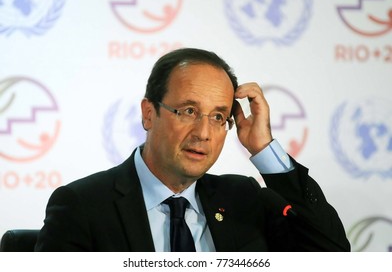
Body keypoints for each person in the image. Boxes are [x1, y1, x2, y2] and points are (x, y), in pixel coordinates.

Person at [35, 48, 350, 252]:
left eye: (217, 117)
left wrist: (265, 150)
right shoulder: (82, 206)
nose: (203, 133)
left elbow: (332, 252)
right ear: (149, 113)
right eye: (187, 111)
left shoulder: (244, 199)